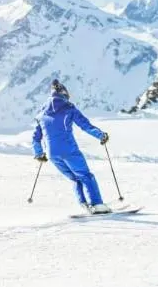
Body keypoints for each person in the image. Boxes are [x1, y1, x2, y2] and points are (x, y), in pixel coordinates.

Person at [32, 79, 112, 214]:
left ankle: (83, 203)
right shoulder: (68, 108)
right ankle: (97, 204)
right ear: (64, 94)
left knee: (74, 178)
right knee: (86, 176)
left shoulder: (41, 113)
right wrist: (100, 135)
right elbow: (85, 125)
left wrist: (39, 153)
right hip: (69, 150)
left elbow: (36, 138)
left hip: (52, 154)